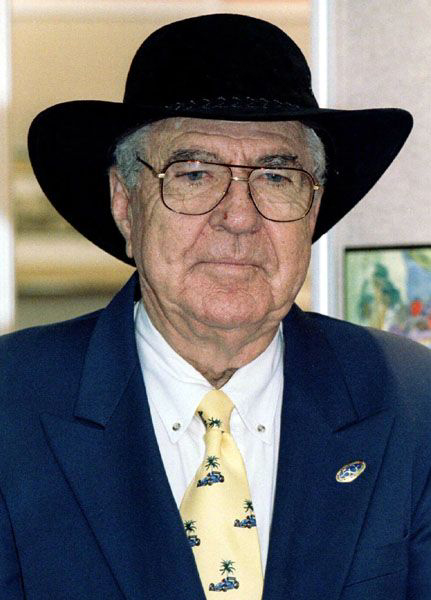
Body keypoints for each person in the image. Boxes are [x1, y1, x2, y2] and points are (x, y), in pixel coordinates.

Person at [1, 13, 430, 600]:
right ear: (125, 204)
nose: (238, 217)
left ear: (312, 209)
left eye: (275, 178)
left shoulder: (413, 405)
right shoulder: (11, 407)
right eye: (195, 174)